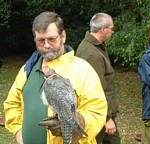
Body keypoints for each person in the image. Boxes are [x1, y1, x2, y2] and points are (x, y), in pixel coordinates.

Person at [4, 11, 108, 144]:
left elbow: (97, 112)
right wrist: (19, 131)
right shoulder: (27, 69)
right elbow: (12, 103)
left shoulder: (82, 70)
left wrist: (76, 123)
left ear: (63, 36)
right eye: (41, 40)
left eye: (51, 39)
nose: (46, 45)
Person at [76, 13, 120, 144]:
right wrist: (107, 118)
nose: (113, 31)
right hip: (97, 114)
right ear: (103, 29)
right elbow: (97, 89)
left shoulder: (93, 46)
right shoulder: (91, 54)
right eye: (111, 28)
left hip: (98, 113)